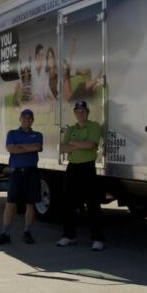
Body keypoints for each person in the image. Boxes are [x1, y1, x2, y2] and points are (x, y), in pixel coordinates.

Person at [57, 100, 106, 250]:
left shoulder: (94, 126)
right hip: (72, 168)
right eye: (77, 111)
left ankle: (97, 239)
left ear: (87, 112)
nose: (80, 114)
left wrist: (74, 143)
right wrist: (80, 143)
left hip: (87, 168)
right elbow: (63, 148)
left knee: (92, 204)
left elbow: (91, 145)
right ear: (75, 113)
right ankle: (69, 236)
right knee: (68, 203)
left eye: (83, 111)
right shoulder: (71, 128)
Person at [0, 108, 42, 245]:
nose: (27, 120)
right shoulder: (12, 133)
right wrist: (27, 147)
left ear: (32, 120)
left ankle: (27, 233)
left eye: (30, 118)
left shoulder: (38, 135)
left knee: (30, 204)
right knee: (10, 203)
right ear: (20, 119)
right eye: (24, 117)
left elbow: (37, 147)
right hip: (16, 172)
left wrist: (20, 146)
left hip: (31, 172)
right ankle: (5, 233)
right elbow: (11, 148)